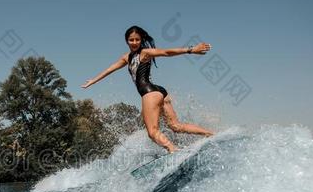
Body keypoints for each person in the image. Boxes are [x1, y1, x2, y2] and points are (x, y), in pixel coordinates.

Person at [81, 25, 214, 153]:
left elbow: (166, 52)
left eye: (137, 39)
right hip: (159, 91)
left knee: (152, 132)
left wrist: (191, 49)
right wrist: (93, 80)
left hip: (149, 92)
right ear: (126, 41)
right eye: (131, 40)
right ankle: (210, 134)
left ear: (141, 40)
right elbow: (110, 69)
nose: (134, 42)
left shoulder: (145, 53)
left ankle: (173, 150)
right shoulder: (126, 57)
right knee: (175, 126)